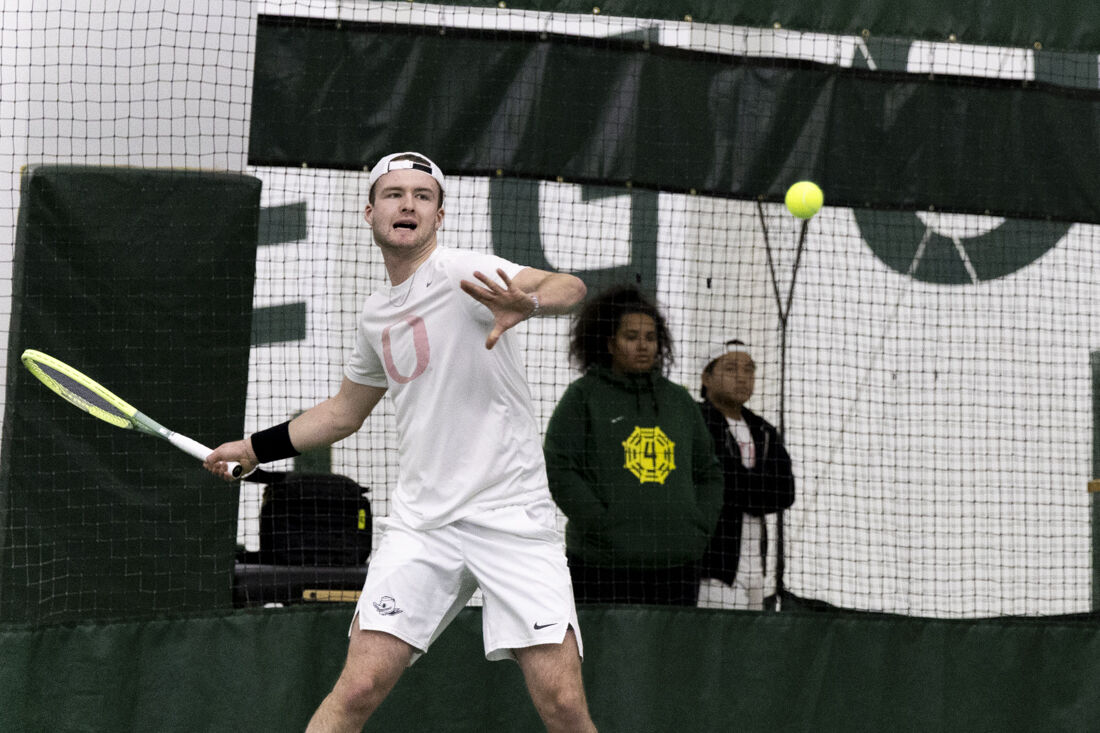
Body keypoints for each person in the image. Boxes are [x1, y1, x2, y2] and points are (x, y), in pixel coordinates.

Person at [204, 152, 597, 733]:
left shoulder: (468, 272)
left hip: (511, 518)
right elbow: (343, 412)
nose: (407, 203)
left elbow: (570, 285)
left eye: (422, 194)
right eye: (394, 193)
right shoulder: (375, 315)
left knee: (562, 705)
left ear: (439, 216)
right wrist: (253, 448)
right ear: (370, 213)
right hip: (423, 526)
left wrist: (529, 302)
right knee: (358, 686)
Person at [543, 285, 723, 606]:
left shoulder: (679, 400)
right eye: (631, 337)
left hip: (677, 566)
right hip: (601, 566)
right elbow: (559, 469)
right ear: (610, 343)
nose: (643, 346)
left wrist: (696, 528)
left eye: (650, 337)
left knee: (671, 658)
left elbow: (708, 471)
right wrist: (602, 526)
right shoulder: (583, 397)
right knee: (601, 656)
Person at [696, 339, 796, 611]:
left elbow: (785, 491)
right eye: (731, 369)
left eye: (749, 370)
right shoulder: (698, 422)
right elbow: (721, 484)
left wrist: (742, 487)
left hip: (757, 569)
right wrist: (754, 488)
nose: (742, 377)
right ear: (707, 376)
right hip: (714, 568)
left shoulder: (763, 430)